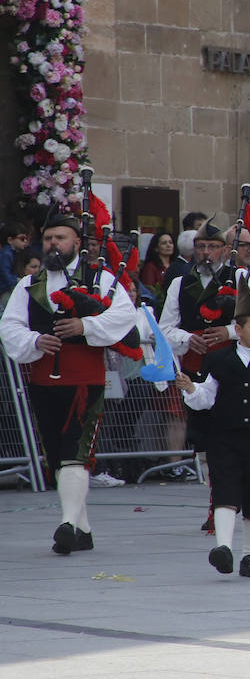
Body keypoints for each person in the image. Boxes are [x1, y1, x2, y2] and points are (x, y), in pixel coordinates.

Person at [1, 210, 137, 554]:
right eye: (48, 238)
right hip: (43, 381)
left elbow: (125, 316)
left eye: (60, 238)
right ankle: (82, 529)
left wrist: (85, 327)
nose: (53, 244)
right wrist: (35, 340)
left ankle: (66, 525)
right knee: (58, 454)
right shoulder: (29, 284)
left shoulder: (100, 278)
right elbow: (10, 326)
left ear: (77, 241)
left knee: (76, 452)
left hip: (85, 381)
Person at [176, 278, 250, 578]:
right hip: (225, 438)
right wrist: (191, 388)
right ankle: (223, 548)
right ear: (238, 330)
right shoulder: (218, 360)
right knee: (225, 491)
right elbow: (206, 398)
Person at [0, 223, 32, 300]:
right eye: (22, 238)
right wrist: (15, 281)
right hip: (6, 289)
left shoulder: (15, 253)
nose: (25, 241)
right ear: (10, 240)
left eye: (26, 238)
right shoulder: (6, 254)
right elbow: (5, 272)